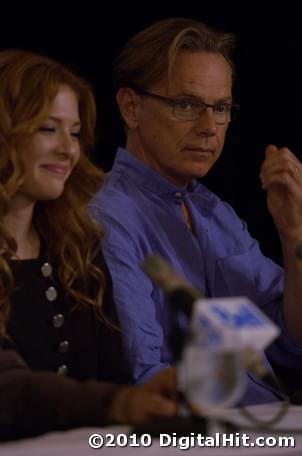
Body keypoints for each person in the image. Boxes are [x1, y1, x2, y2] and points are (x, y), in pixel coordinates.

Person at [90, 17, 302, 404]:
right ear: (131, 107)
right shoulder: (107, 218)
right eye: (186, 104)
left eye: (220, 108)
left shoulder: (215, 213)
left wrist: (293, 236)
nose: (209, 127)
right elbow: (141, 375)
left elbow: (289, 339)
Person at [0, 49, 176, 442]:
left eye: (75, 132)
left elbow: (111, 372)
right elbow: (8, 390)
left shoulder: (78, 248)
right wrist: (118, 403)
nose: (69, 150)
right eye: (48, 128)